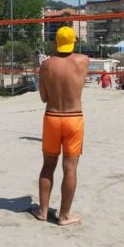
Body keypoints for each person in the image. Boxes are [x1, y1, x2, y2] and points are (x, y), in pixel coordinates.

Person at [32, 26, 88, 226]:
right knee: (70, 169)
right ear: (74, 42)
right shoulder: (83, 61)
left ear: (56, 42)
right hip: (74, 118)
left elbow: (43, 98)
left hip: (52, 117)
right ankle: (64, 215)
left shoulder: (46, 65)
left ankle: (43, 211)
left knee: (48, 167)